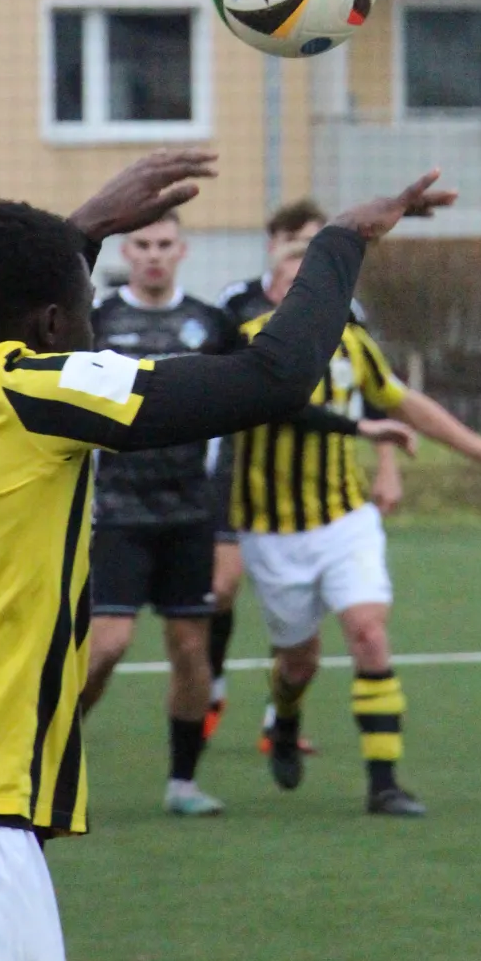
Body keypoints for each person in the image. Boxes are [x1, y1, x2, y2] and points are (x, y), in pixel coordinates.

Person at [0, 148, 453, 961]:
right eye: (81, 305)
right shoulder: (43, 391)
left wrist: (76, 233)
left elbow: (1, 322)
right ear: (55, 325)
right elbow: (272, 374)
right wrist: (343, 241)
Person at [232, 224, 481, 817]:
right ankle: (286, 717)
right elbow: (279, 409)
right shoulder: (248, 344)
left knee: (369, 634)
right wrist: (360, 428)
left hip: (344, 519)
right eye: (292, 285)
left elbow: (402, 401)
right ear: (272, 292)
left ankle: (384, 784)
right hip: (271, 532)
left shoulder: (354, 345)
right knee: (298, 661)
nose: (306, 297)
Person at [80, 210, 238, 817]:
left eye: (164, 244)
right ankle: (49, 755)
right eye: (142, 244)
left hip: (189, 515)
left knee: (191, 649)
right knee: (106, 646)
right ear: (126, 251)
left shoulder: (211, 324)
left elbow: (233, 420)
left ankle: (183, 784)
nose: (153, 254)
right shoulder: (97, 321)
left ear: (182, 251)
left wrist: (224, 527)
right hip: (115, 511)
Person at [203, 198, 323, 740]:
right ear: (274, 244)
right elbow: (212, 373)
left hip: (307, 476)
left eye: (316, 241)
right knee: (222, 585)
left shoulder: (343, 307)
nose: (306, 251)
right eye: (296, 240)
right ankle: (213, 686)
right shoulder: (238, 303)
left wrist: (386, 464)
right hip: (240, 463)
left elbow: (373, 395)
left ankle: (281, 715)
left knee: (295, 598)